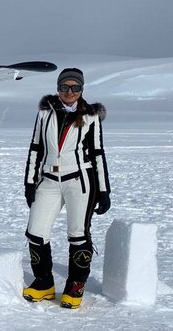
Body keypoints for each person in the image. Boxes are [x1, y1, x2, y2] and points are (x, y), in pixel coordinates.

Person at [21, 67, 110, 309]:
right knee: (36, 232)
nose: (69, 92)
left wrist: (104, 190)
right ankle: (44, 283)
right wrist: (29, 182)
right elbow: (35, 148)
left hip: (79, 180)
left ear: (82, 89)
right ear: (58, 88)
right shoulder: (44, 113)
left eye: (75, 88)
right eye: (64, 87)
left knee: (78, 233)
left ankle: (75, 285)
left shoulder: (91, 116)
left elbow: (98, 153)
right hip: (48, 179)